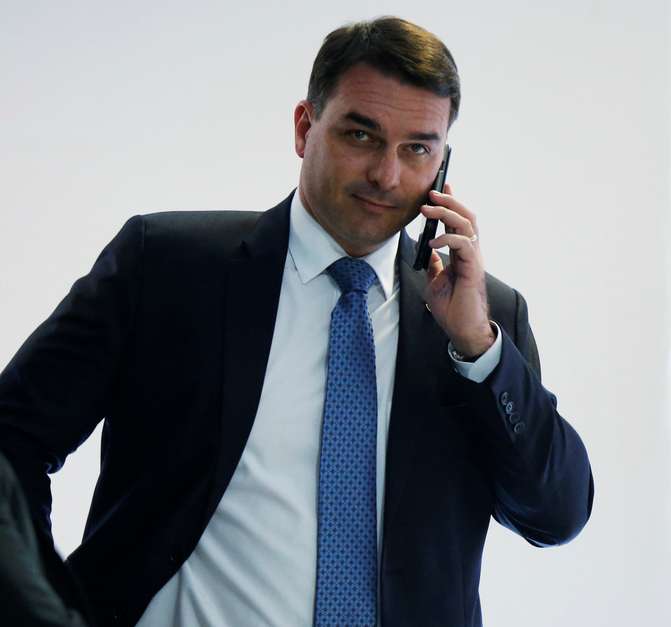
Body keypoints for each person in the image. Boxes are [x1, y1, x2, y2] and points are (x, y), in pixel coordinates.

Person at [0, 16, 593, 627]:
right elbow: (10, 439)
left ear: (443, 164)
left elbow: (555, 515)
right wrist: (43, 610)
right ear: (305, 128)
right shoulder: (167, 267)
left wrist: (478, 350)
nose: (386, 175)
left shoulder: (484, 318)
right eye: (361, 135)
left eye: (417, 148)